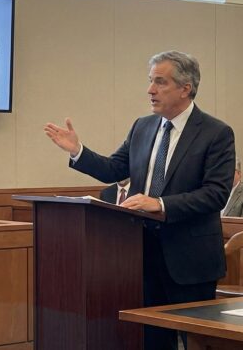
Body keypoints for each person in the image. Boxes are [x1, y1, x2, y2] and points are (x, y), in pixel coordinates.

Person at [44, 50, 235, 350]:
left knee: (196, 343)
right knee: (151, 340)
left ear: (185, 88)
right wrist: (77, 151)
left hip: (190, 261)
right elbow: (114, 169)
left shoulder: (216, 133)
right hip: (140, 256)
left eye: (160, 82)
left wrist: (161, 204)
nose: (150, 89)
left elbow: (216, 193)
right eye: (150, 81)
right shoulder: (142, 127)